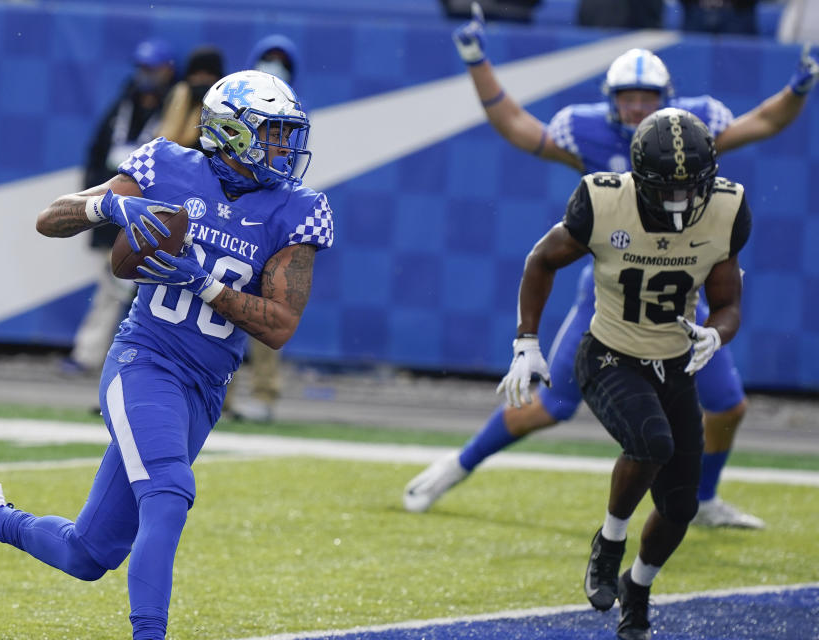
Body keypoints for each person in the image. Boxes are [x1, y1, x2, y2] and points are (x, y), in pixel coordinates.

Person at [0, 70, 333, 640]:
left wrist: (204, 283)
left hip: (204, 388)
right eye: (274, 134)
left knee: (88, 555)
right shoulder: (168, 165)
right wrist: (110, 209)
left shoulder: (296, 209)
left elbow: (280, 326)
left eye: (289, 134)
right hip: (145, 360)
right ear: (231, 133)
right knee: (169, 492)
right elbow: (50, 218)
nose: (287, 148)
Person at [403, 2, 819, 527]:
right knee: (552, 405)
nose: (640, 107)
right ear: (611, 101)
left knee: (729, 407)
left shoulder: (690, 136)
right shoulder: (591, 138)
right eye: (629, 97)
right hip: (613, 298)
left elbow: (763, 122)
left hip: (681, 299)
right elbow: (514, 124)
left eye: (648, 97)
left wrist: (797, 89)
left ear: (668, 101)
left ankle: (704, 501)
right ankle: (456, 465)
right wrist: (476, 61)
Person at [499, 107, 750, 640]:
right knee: (651, 442)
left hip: (674, 362)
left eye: (692, 187)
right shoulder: (604, 199)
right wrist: (526, 342)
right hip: (610, 353)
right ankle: (609, 542)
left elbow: (728, 301)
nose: (681, 201)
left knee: (681, 505)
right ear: (638, 177)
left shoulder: (728, 208)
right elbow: (541, 260)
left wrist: (716, 334)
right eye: (668, 189)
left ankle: (638, 589)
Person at [65, 37, 179, 374]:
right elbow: (96, 153)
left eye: (152, 68)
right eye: (142, 68)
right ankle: (93, 355)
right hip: (115, 208)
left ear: (167, 70)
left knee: (140, 293)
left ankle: (133, 360)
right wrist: (93, 205)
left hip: (152, 215)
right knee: (112, 286)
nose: (146, 74)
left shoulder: (174, 108)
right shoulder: (123, 104)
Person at [223, 34, 301, 423]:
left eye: (280, 60)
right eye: (268, 58)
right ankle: (220, 393)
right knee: (219, 308)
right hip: (228, 221)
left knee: (268, 311)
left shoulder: (293, 117)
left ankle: (266, 395)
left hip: (267, 225)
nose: (275, 65)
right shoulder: (230, 113)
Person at [157, 46, 225, 150]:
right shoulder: (176, 96)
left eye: (209, 74)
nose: (201, 79)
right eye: (196, 74)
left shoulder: (224, 111)